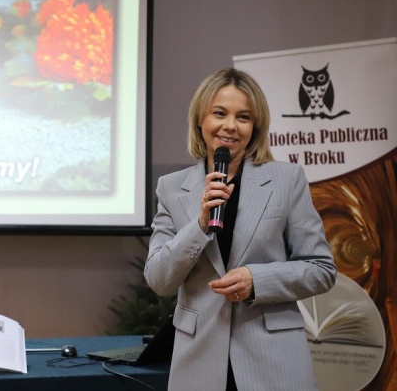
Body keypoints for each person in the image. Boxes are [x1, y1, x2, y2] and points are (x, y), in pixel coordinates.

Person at [144, 68, 337, 391]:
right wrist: (199, 225)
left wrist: (257, 280)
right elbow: (159, 279)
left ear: (255, 126)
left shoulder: (286, 180)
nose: (230, 126)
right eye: (219, 113)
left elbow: (321, 269)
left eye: (243, 117)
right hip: (199, 362)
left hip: (274, 361)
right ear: (200, 120)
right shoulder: (172, 188)